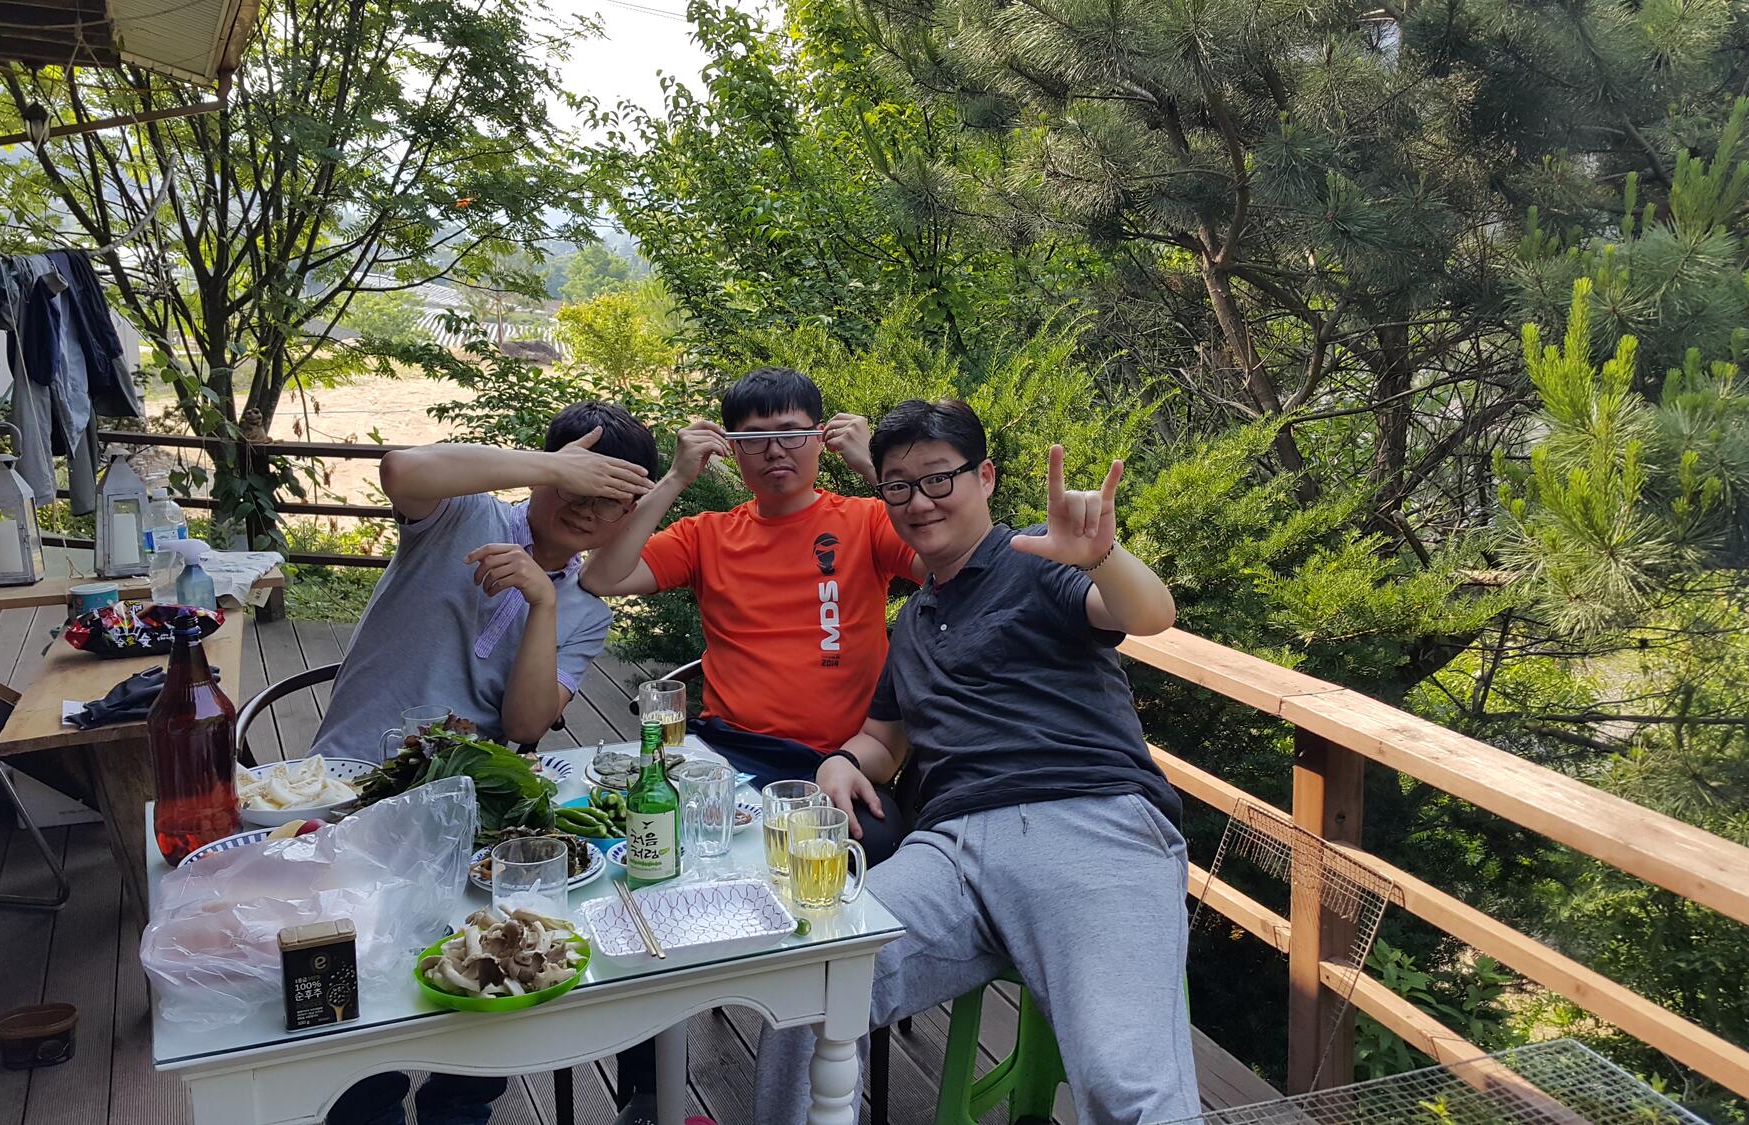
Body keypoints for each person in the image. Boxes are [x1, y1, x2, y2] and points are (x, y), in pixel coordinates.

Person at [753, 399, 1198, 1125]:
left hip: (1086, 824)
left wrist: (1103, 556)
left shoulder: (1035, 559)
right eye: (899, 486)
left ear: (984, 476)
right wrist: (841, 761)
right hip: (949, 852)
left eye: (939, 478)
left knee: (1127, 1084)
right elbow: (884, 739)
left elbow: (1146, 614)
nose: (919, 501)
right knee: (809, 984)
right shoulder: (914, 620)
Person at [579, 367, 924, 1125]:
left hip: (840, 761)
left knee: (869, 850)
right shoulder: (709, 533)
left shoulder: (866, 520)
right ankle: (650, 1092)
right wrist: (674, 478)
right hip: (724, 754)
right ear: (730, 450)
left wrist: (876, 469)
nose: (776, 451)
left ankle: (826, 1049)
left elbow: (954, 562)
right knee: (648, 858)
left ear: (821, 439)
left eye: (793, 433)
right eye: (755, 437)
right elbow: (603, 575)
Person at [318, 401, 659, 1125]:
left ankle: (460, 1104)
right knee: (361, 987)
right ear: (543, 470)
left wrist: (543, 601)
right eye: (576, 482)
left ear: (629, 512)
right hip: (352, 788)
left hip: (470, 820)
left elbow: (526, 725)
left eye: (609, 497)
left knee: (504, 950)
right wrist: (556, 466)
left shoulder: (587, 608)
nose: (585, 505)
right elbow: (400, 470)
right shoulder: (464, 515)